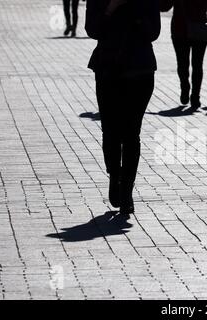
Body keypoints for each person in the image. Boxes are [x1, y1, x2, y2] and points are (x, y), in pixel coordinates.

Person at [85, 0, 161, 215]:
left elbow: (153, 31)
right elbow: (92, 29)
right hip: (108, 69)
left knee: (130, 133)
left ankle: (127, 192)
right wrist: (111, 7)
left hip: (140, 71)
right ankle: (114, 176)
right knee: (110, 131)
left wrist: (134, 9)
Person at [160, 0, 207, 110]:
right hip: (199, 27)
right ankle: (195, 96)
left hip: (180, 28)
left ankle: (185, 86)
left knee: (182, 63)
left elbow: (165, 6)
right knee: (197, 64)